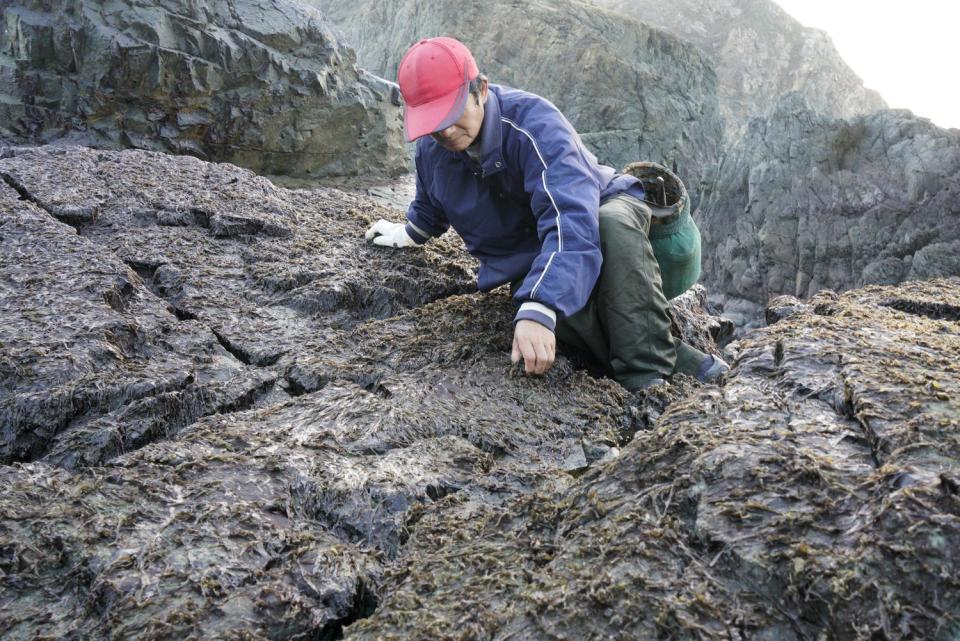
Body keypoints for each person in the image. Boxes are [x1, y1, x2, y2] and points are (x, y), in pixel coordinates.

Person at [365, 36, 728, 390]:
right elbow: (432, 199)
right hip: (536, 252)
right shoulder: (432, 149)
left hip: (597, 213)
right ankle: (692, 366)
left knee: (609, 228)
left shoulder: (535, 124)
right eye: (431, 119)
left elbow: (570, 219)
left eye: (451, 111)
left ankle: (647, 378)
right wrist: (410, 233)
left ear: (482, 90)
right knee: (550, 302)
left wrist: (541, 304)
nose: (444, 129)